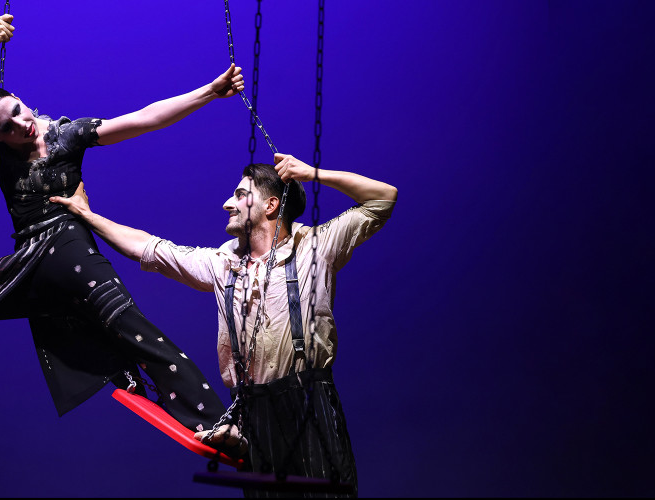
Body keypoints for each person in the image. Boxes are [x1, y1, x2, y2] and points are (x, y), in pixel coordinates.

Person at [0, 13, 244, 437]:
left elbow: (145, 117)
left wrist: (209, 92)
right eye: (7, 127)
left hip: (70, 251)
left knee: (137, 333)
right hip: (27, 265)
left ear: (21, 99)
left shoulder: (69, 135)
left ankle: (218, 423)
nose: (21, 124)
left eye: (18, 111)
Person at [50, 152, 397, 497]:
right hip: (253, 413)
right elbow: (147, 248)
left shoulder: (316, 247)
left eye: (240, 195)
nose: (227, 204)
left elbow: (383, 198)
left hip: (310, 402)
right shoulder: (222, 263)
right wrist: (88, 216)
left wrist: (311, 173)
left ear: (271, 205)